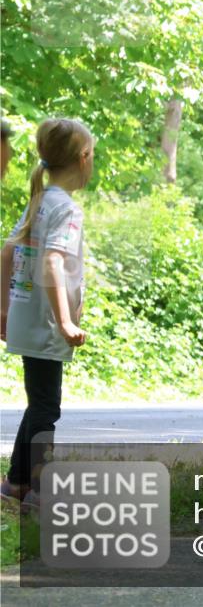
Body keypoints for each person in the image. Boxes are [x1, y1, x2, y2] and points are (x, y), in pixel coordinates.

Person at [0, 118, 94, 508]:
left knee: (38, 401)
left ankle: (15, 486)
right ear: (84, 159)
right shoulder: (67, 209)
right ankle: (39, 491)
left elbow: (7, 252)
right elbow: (52, 263)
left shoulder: (39, 201)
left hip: (25, 318)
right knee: (46, 408)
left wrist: (3, 309)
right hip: (45, 323)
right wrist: (66, 320)